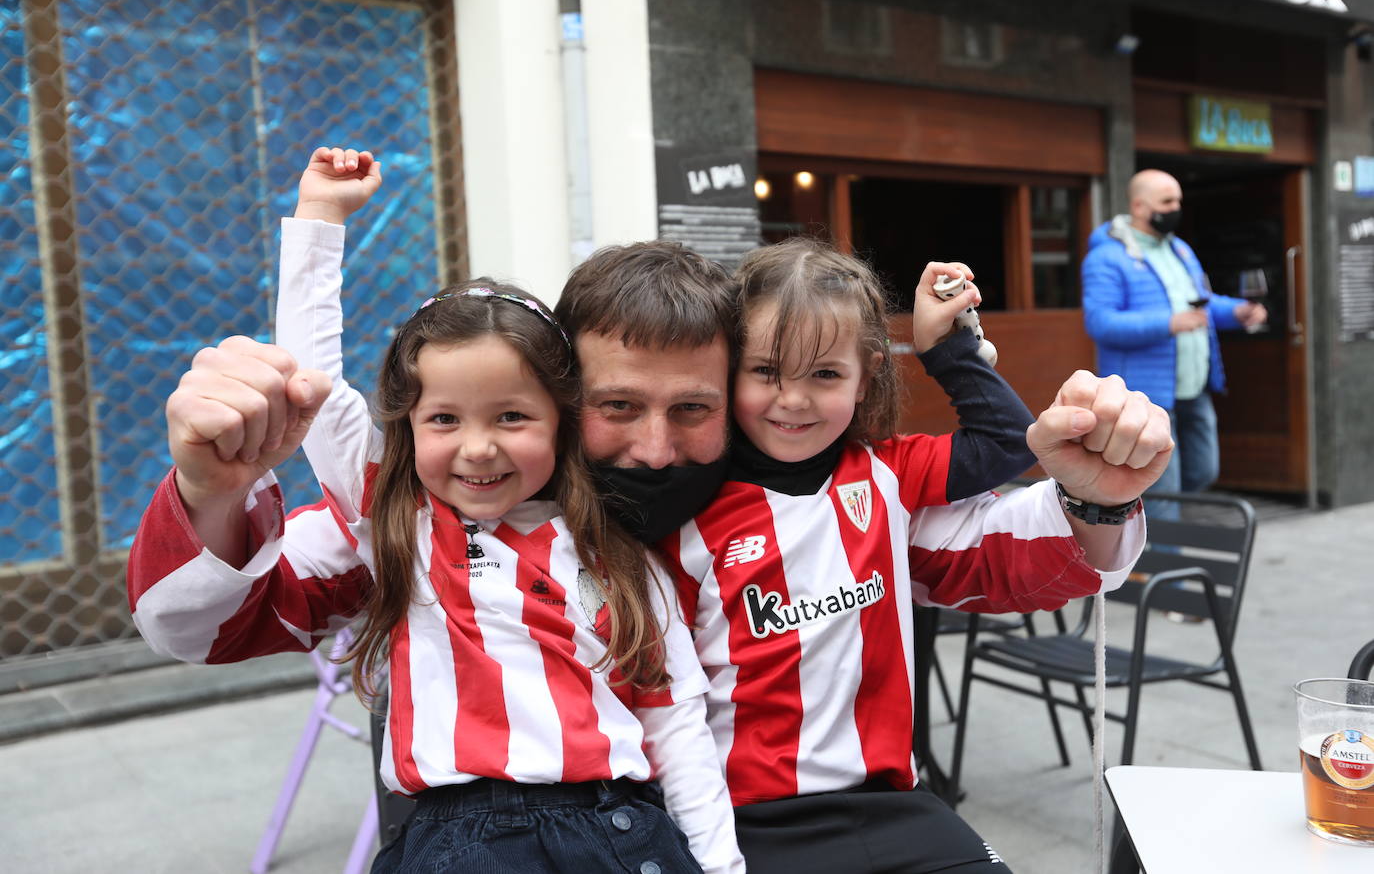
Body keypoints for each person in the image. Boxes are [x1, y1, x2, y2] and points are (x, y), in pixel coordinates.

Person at [130, 149, 1172, 872]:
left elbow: (1025, 559)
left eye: (696, 409)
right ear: (560, 399)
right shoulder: (453, 521)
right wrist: (212, 491)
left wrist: (1096, 491)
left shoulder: (834, 490)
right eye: (617, 407)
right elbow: (196, 623)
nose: (657, 448)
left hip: (870, 815)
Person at [130, 148, 743, 874]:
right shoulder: (401, 521)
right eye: (445, 419)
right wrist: (320, 219)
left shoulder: (620, 554)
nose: (478, 449)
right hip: (460, 841)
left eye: (512, 416)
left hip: (620, 829)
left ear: (563, 420)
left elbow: (678, 730)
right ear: (407, 427)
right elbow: (311, 377)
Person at [658, 240, 1158, 873]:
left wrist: (946, 349)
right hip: (747, 816)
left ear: (865, 376)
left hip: (892, 801)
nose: (793, 399)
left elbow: (1009, 445)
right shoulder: (688, 508)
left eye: (825, 374)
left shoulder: (886, 473)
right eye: (765, 372)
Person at [1081, 168, 1267, 503]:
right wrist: (1168, 323)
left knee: (1203, 471)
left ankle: (1148, 538)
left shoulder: (1179, 249)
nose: (1175, 208)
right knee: (1164, 494)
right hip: (1146, 397)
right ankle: (1164, 551)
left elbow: (1201, 304)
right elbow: (1101, 323)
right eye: (1167, 201)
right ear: (1139, 207)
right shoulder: (1106, 258)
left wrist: (1237, 312)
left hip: (1194, 387)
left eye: (1178, 200)